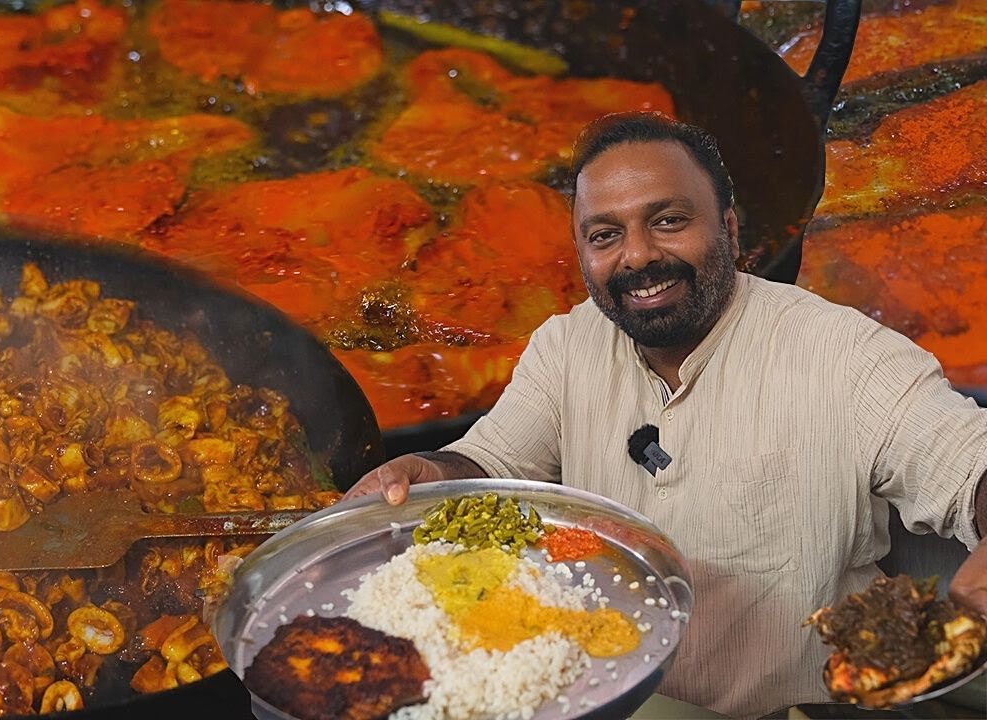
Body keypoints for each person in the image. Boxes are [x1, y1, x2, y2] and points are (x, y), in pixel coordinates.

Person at [344, 112, 987, 719]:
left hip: (795, 707)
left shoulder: (844, 356)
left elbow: (967, 464)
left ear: (731, 230)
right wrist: (431, 471)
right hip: (593, 695)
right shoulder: (567, 347)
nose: (638, 256)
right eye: (605, 235)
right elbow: (494, 462)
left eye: (669, 220)